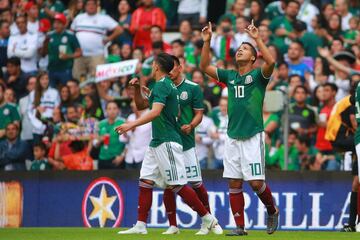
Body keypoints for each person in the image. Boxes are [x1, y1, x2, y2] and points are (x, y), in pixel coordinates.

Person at [116, 53, 219, 235]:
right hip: (157, 141)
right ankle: (141, 224)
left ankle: (207, 218)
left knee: (178, 185)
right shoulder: (162, 86)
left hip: (168, 141)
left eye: (152, 63)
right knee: (145, 181)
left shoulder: (163, 85)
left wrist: (130, 124)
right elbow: (142, 106)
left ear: (156, 66)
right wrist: (137, 89)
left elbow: (155, 112)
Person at [200, 20, 279, 235]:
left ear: (253, 57)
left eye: (245, 49)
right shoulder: (230, 76)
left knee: (255, 183)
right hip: (232, 136)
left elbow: (271, 61)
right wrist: (207, 42)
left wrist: (257, 39)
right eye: (239, 49)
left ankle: (272, 210)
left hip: (253, 135)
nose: (239, 51)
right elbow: (204, 67)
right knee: (234, 182)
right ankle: (239, 227)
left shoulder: (258, 76)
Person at [159, 55, 222, 234]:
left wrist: (192, 125)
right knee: (169, 184)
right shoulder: (163, 87)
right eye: (167, 68)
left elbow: (199, 114)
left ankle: (208, 221)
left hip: (186, 142)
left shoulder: (193, 88)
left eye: (172, 67)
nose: (169, 71)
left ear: (180, 67)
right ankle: (173, 225)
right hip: (168, 141)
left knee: (196, 183)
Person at [71, 0, 122, 79]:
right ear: (85, 6)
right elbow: (71, 32)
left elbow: (119, 29)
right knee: (78, 78)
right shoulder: (79, 17)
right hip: (79, 55)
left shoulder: (104, 18)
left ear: (97, 5)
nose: (91, 6)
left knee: (98, 80)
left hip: (97, 55)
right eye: (88, 4)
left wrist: (109, 38)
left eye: (93, 4)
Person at [41, 13, 82, 87]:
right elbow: (43, 54)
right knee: (51, 91)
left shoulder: (70, 36)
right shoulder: (49, 35)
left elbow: (79, 52)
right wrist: (45, 44)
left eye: (59, 23)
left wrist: (68, 56)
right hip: (51, 69)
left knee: (65, 90)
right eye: (55, 23)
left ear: (64, 24)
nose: (56, 25)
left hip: (65, 69)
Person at [120, 101, 151, 169]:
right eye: (132, 107)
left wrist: (134, 127)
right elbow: (125, 139)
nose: (133, 108)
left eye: (134, 106)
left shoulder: (150, 114)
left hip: (144, 156)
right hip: (130, 157)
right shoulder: (131, 117)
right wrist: (125, 132)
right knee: (128, 178)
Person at [94, 101, 125, 169]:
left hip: (116, 159)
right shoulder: (100, 124)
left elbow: (129, 142)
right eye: (109, 108)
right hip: (102, 158)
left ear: (118, 110)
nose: (112, 111)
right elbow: (95, 143)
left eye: (114, 108)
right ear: (106, 111)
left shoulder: (123, 123)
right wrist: (99, 141)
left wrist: (122, 156)